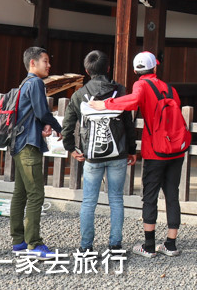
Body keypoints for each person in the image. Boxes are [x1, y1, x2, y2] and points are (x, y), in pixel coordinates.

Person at [89, 51, 185, 258]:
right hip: (176, 150)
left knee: (150, 196)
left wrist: (103, 104)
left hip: (155, 151)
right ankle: (171, 244)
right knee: (172, 195)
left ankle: (149, 246)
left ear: (135, 70)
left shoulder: (141, 85)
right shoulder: (170, 89)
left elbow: (133, 101)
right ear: (155, 68)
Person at [61, 50, 136, 253]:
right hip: (118, 153)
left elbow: (67, 127)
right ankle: (115, 244)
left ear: (86, 71)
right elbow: (128, 124)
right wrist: (131, 150)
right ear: (108, 68)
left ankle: (86, 247)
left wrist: (71, 149)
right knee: (116, 199)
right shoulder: (120, 91)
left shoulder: (79, 95)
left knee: (88, 202)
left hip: (91, 156)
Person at [9, 46, 63, 258]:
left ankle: (18, 241)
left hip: (19, 143)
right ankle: (34, 243)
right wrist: (57, 126)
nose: (49, 65)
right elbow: (42, 111)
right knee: (35, 194)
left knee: (20, 194)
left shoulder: (24, 84)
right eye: (45, 61)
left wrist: (43, 125)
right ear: (33, 63)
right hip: (28, 146)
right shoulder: (36, 83)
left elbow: (33, 115)